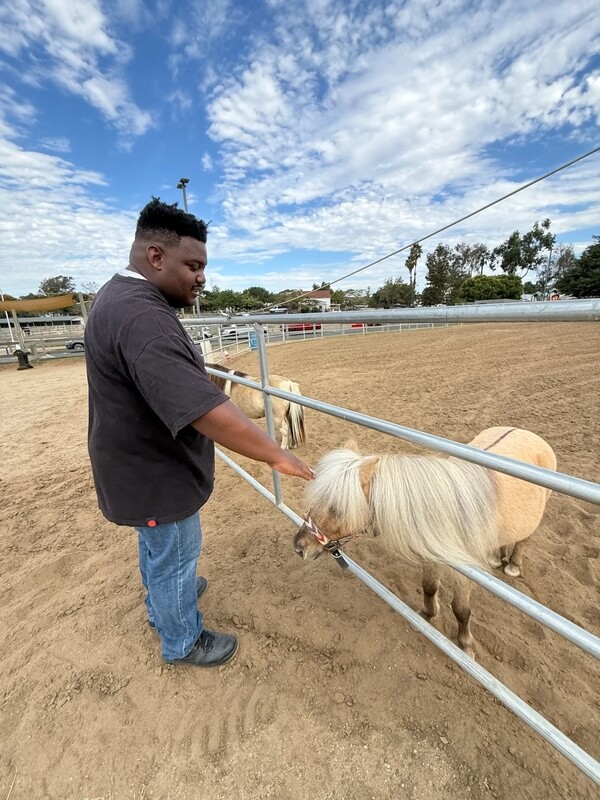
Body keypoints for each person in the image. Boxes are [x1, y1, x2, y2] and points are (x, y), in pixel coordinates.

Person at [85, 198, 314, 669]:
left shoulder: (117, 297)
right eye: (193, 265)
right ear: (155, 257)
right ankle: (182, 639)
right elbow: (203, 409)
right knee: (174, 554)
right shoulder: (143, 318)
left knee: (157, 548)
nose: (201, 277)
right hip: (156, 473)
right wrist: (276, 455)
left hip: (132, 465)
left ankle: (165, 602)